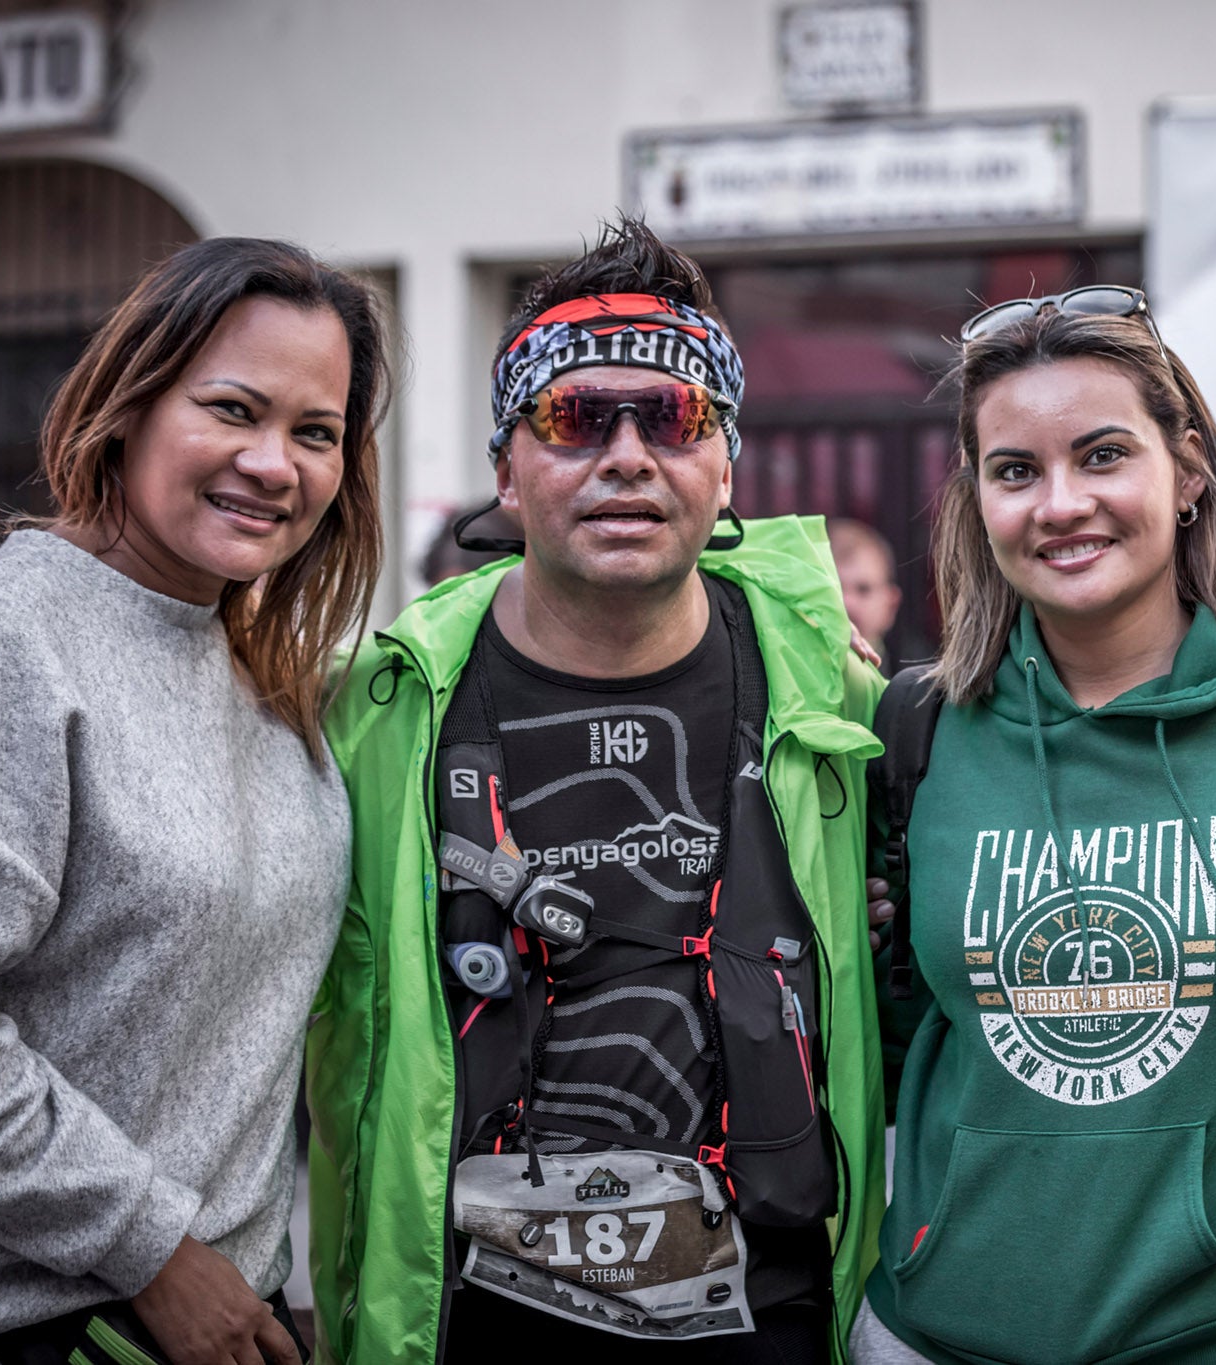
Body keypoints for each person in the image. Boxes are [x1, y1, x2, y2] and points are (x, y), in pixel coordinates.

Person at [306, 218, 887, 1364]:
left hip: (764, 1310)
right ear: (507, 471)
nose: (626, 455)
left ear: (725, 467)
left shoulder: (844, 706)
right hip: (467, 1313)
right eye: (574, 419)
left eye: (671, 417)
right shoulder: (373, 713)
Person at [849, 288, 1216, 1365]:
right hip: (943, 1336)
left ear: (1187, 474)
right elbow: (885, 1047)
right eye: (1015, 471)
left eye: (1103, 455)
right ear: (977, 500)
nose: (1059, 503)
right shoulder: (919, 733)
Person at [0, 237, 389, 1365]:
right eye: (232, 409)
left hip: (204, 1324)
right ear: (130, 405)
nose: (273, 463)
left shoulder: (254, 667)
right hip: (3, 1332)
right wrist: (157, 1254)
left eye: (315, 432)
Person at [828, 518, 905, 669]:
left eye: (864, 589)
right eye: (835, 587)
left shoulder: (919, 683)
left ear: (891, 605)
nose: (847, 602)